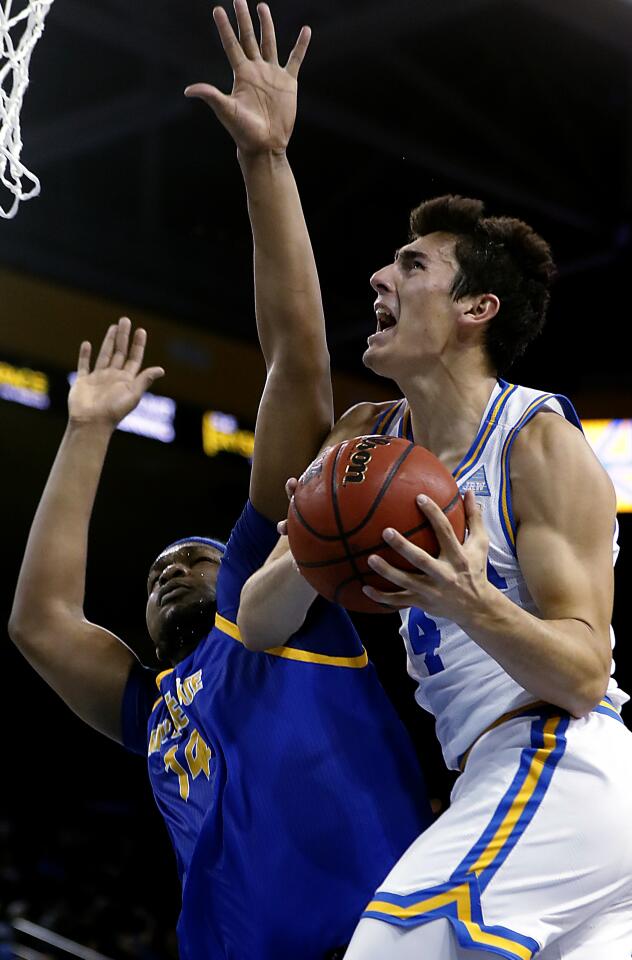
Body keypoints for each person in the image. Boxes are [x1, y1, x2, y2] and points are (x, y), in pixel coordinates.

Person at [8, 5, 431, 958]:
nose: (168, 568)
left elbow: (296, 364)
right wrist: (84, 432)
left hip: (381, 942)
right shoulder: (150, 705)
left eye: (192, 555)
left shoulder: (275, 592)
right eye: (160, 568)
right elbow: (40, 624)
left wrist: (265, 162)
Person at [230, 24, 632, 960]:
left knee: (391, 949)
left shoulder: (538, 443)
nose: (381, 274)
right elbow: (259, 619)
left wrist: (474, 601)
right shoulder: (365, 442)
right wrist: (305, 538)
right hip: (511, 780)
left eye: (414, 266)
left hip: (559, 759)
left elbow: (580, 673)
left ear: (475, 310)